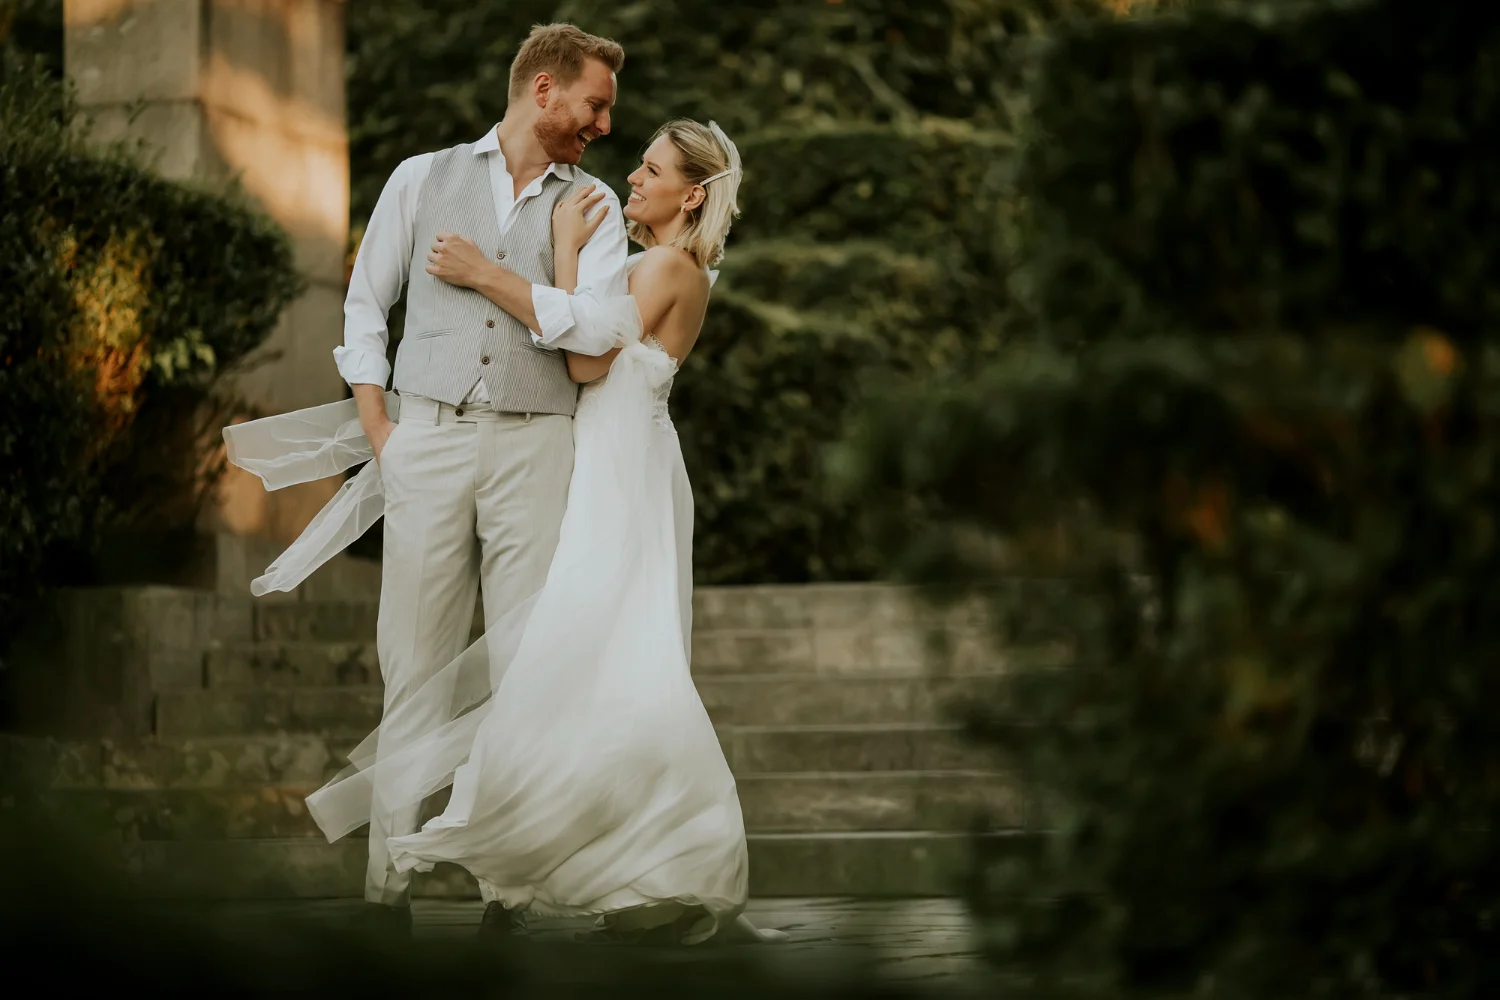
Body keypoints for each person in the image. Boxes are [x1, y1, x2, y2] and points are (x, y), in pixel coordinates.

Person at [299, 117, 786, 946]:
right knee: (600, 672)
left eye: (652, 169)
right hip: (601, 461)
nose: (633, 177)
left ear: (690, 196)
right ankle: (629, 877)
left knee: (617, 667)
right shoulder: (647, 263)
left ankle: (663, 866)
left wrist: (546, 253)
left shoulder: (671, 268)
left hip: (620, 474)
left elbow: (586, 361)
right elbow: (588, 331)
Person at [331, 22, 630, 936]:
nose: (604, 126)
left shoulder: (595, 205)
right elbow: (365, 302)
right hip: (425, 438)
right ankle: (387, 888)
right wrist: (380, 429)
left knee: (525, 668)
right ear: (544, 90)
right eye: (594, 105)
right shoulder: (419, 178)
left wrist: (491, 275)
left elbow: (595, 332)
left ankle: (511, 891)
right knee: (413, 665)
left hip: (537, 445)